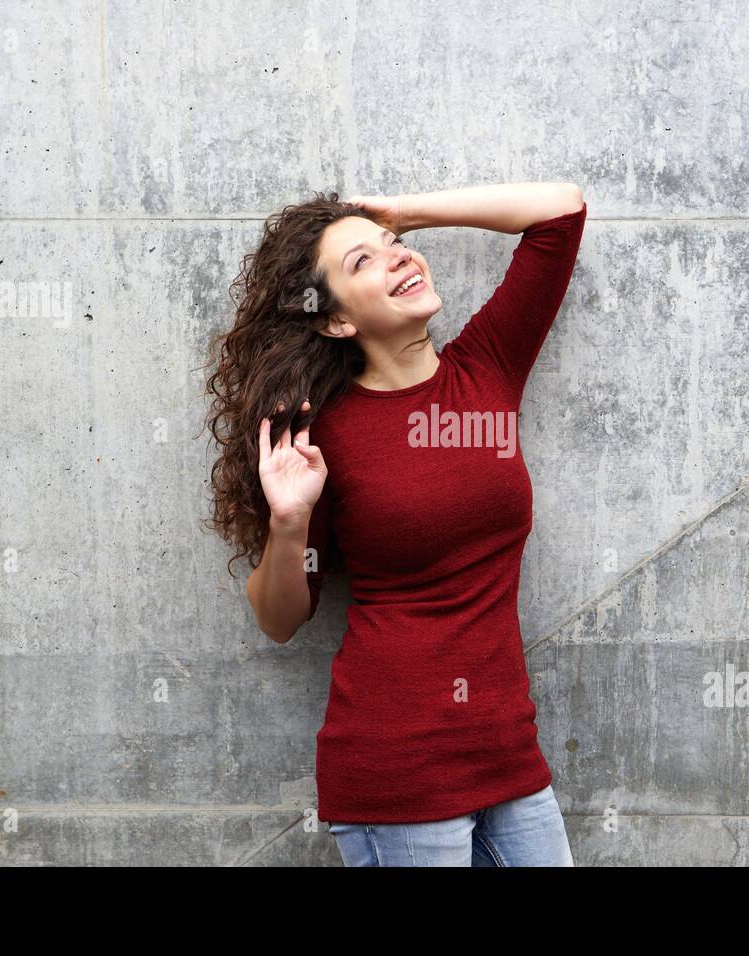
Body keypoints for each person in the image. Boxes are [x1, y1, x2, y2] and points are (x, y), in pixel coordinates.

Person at [203, 182, 587, 865]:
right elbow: (280, 618)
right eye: (362, 264)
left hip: (507, 756)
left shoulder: (487, 371)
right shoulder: (321, 438)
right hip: (397, 770)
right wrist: (290, 524)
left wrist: (405, 213)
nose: (399, 259)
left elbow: (560, 212)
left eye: (398, 248)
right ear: (336, 321)